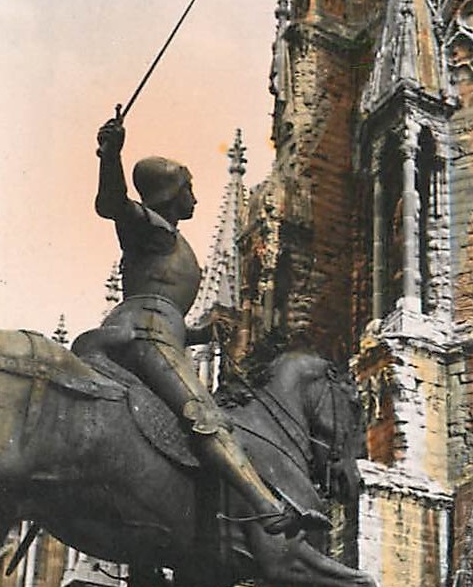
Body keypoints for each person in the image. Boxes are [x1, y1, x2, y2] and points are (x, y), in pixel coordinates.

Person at [78, 114, 327, 543]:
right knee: (204, 415)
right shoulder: (152, 229)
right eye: (188, 188)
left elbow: (171, 314)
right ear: (171, 195)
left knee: (158, 437)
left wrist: (201, 334)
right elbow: (112, 203)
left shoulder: (171, 240)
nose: (195, 195)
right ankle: (266, 505)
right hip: (145, 333)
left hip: (158, 331)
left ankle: (142, 553)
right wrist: (111, 155)